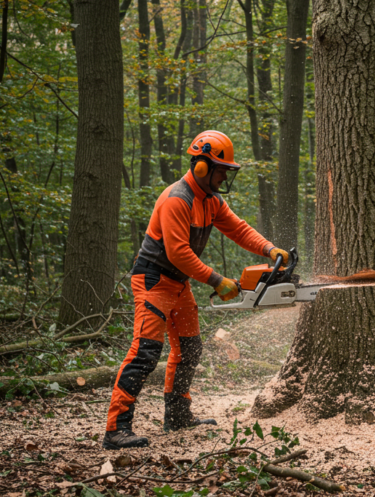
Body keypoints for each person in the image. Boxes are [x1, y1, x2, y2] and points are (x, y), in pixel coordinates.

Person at [103, 130, 290, 450]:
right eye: (221, 170)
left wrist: (269, 249)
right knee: (145, 353)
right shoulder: (178, 199)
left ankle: (177, 414)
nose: (223, 177)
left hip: (179, 282)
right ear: (202, 167)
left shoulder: (211, 201)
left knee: (189, 348)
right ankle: (116, 428)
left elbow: (238, 228)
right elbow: (177, 252)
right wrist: (218, 281)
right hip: (153, 280)